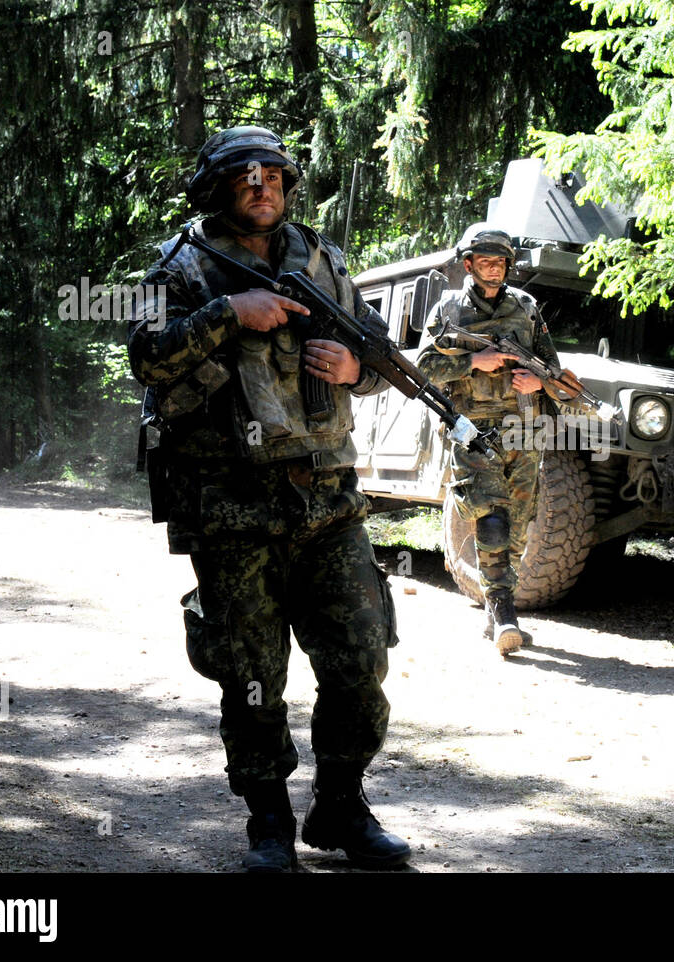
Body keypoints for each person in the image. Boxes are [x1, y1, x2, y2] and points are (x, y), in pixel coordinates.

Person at [128, 125, 410, 872]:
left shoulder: (322, 260)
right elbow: (146, 358)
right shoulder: (182, 267)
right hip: (232, 508)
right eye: (246, 178)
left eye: (274, 177)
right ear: (218, 188)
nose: (263, 188)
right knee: (253, 678)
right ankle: (269, 822)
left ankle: (342, 806)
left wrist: (355, 368)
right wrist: (229, 315)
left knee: (359, 660)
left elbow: (384, 358)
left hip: (328, 502)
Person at [417, 229, 563, 655]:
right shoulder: (448, 309)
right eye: (485, 261)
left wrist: (539, 380)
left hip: (524, 428)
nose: (494, 267)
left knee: (518, 522)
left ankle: (498, 604)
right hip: (474, 429)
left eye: (500, 262)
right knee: (492, 516)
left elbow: (554, 368)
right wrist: (471, 361)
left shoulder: (526, 307)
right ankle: (503, 612)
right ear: (468, 264)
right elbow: (422, 366)